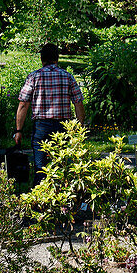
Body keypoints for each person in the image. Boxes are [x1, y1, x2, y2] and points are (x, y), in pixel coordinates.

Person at [15, 43, 84, 181]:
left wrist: (19, 130)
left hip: (41, 127)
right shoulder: (68, 77)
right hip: (64, 126)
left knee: (41, 169)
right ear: (57, 59)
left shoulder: (34, 77)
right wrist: (79, 129)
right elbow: (78, 104)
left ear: (42, 59)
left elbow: (23, 104)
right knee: (62, 166)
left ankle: (41, 198)